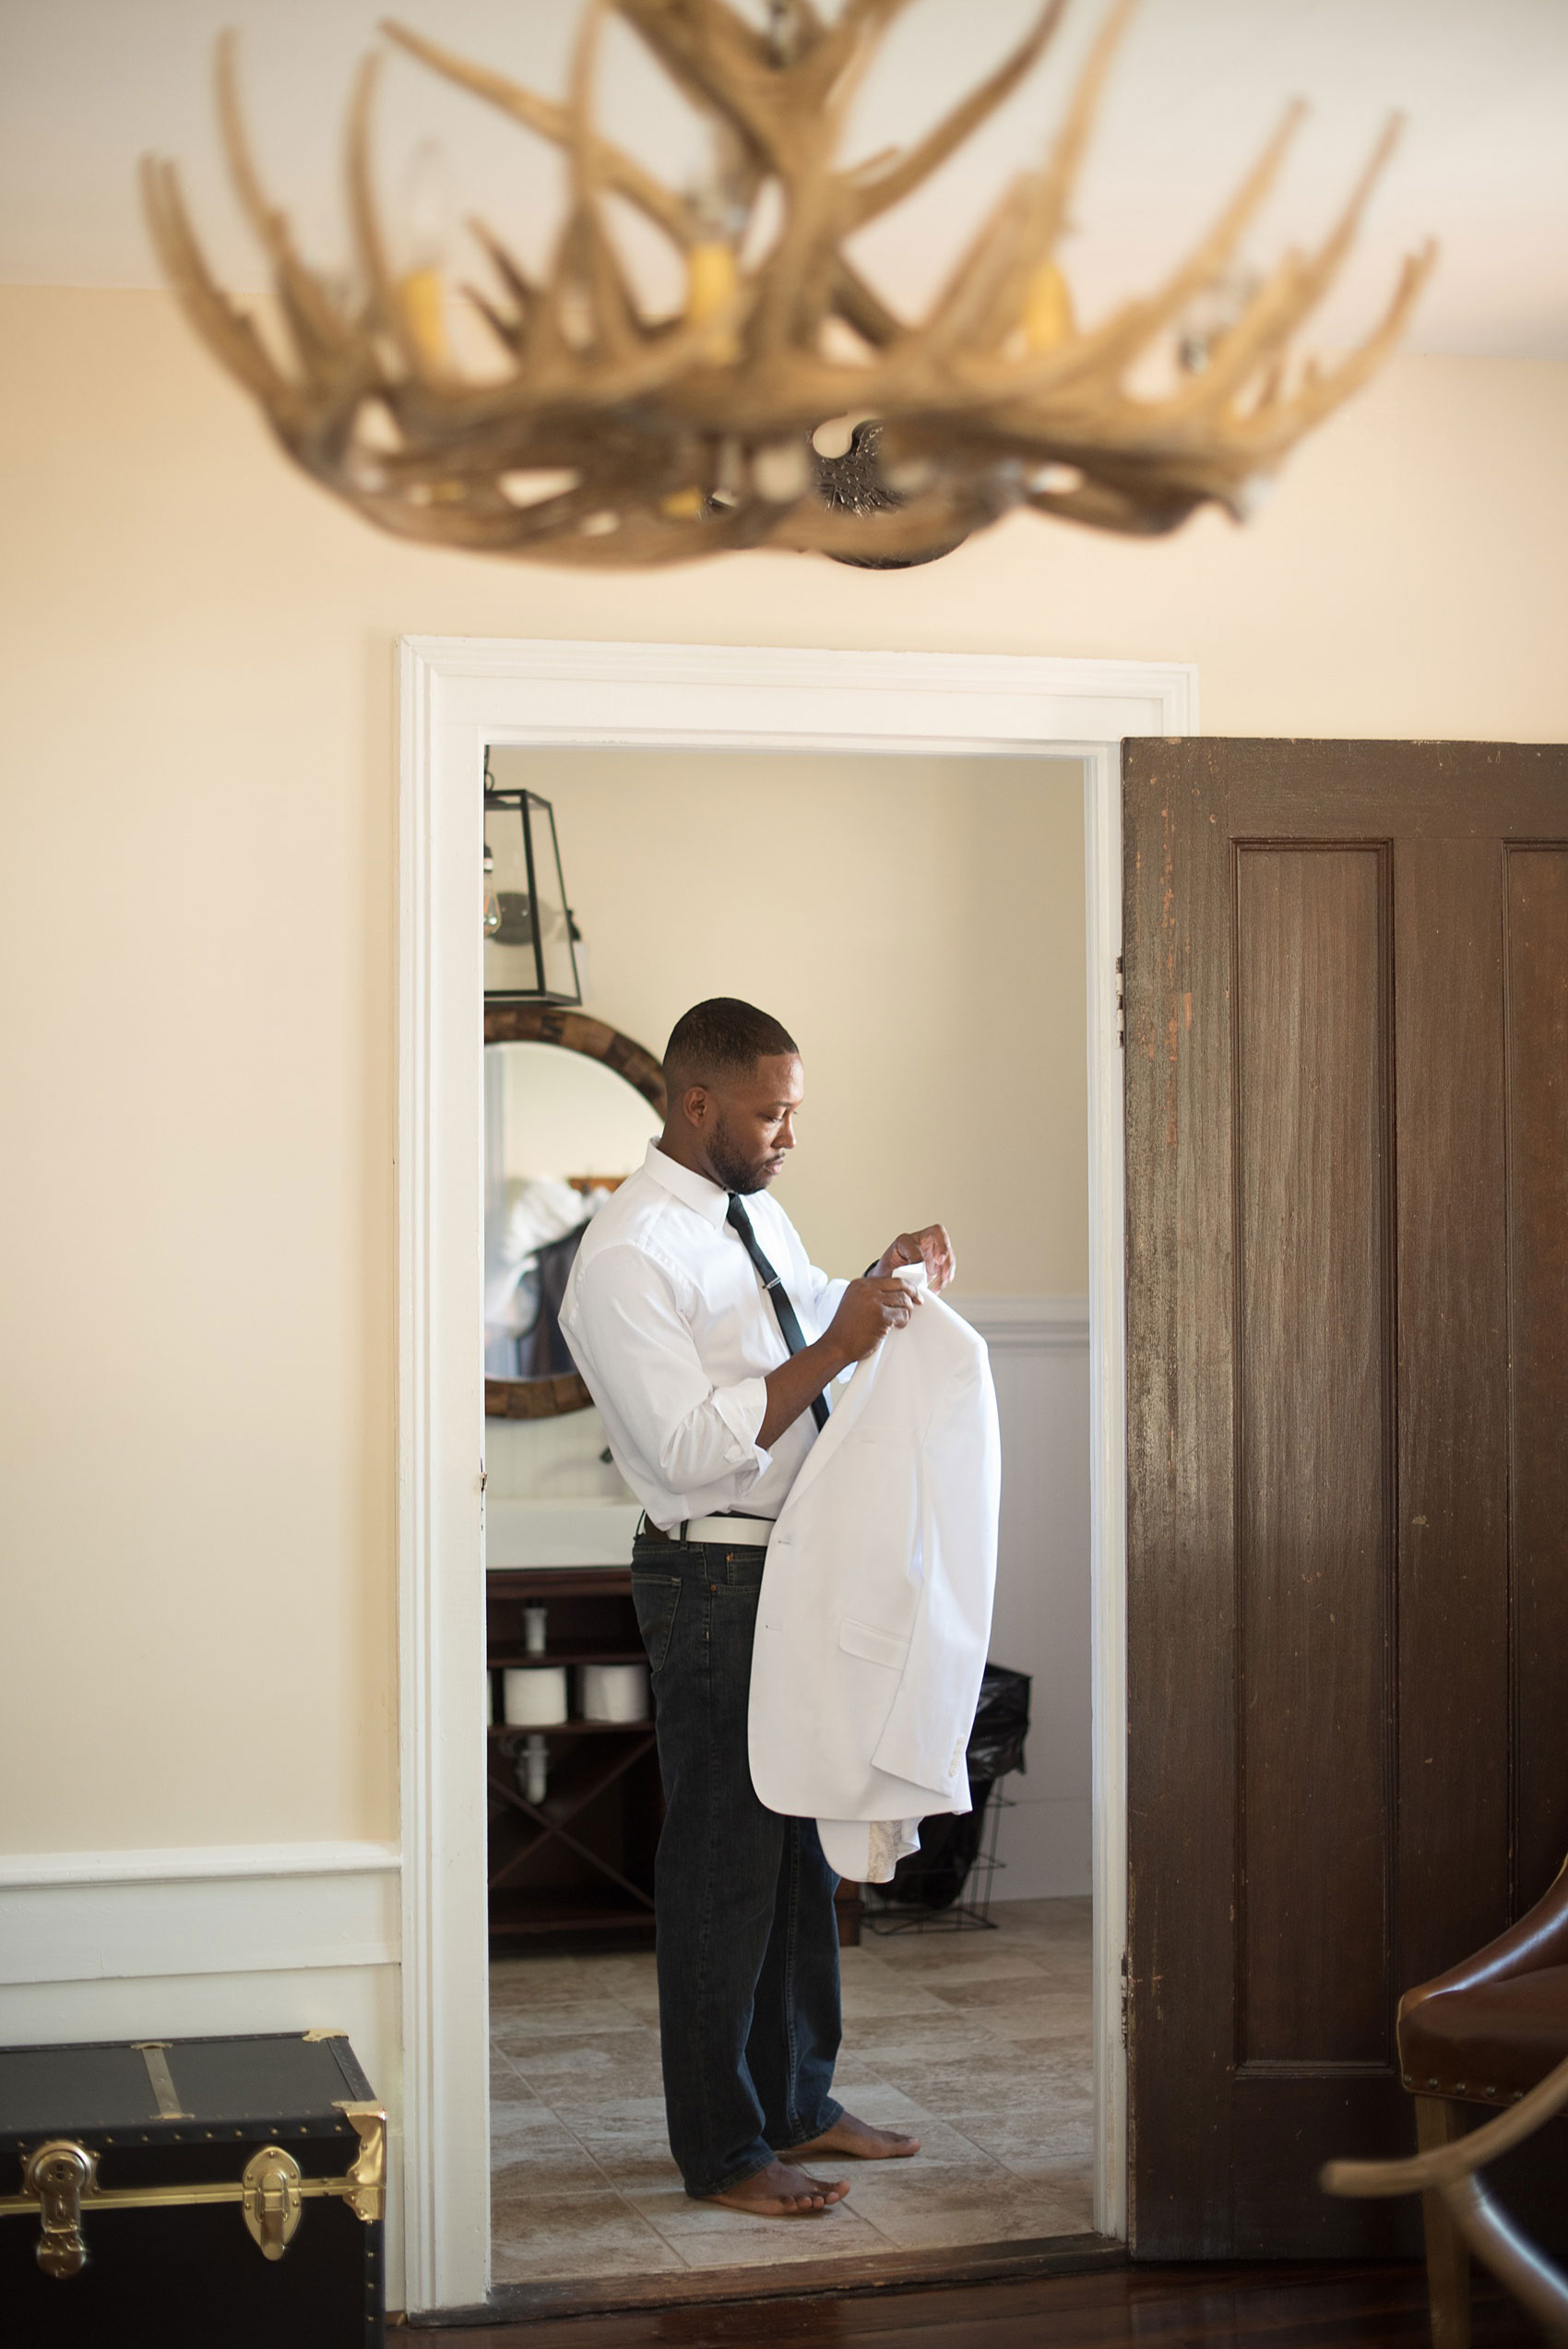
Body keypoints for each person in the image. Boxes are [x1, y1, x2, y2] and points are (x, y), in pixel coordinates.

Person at [560, 997, 956, 2219]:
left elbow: (791, 1337)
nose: (789, 1132)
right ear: (696, 1103)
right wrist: (841, 1341)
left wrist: (879, 1287)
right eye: (771, 1110)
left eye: (795, 1108)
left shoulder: (755, 1212)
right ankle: (724, 2147)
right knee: (725, 1862)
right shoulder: (625, 1256)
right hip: (715, 1577)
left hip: (801, 1563)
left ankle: (796, 2099)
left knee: (798, 1847)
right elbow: (688, 1447)